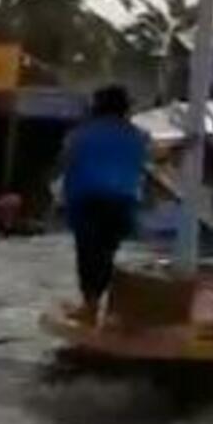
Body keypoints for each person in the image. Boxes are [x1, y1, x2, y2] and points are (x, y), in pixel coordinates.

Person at [63, 85, 148, 323]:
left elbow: (68, 162)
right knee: (107, 253)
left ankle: (90, 306)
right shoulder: (138, 135)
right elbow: (142, 163)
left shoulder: (81, 134)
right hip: (122, 201)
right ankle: (101, 304)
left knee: (88, 254)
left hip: (88, 199)